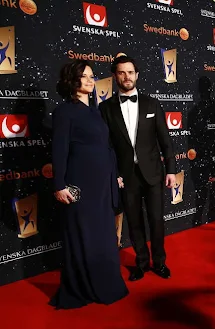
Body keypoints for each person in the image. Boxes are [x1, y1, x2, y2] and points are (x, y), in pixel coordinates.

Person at [50, 59, 128, 309]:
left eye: (92, 75)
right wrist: (59, 184)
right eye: (84, 76)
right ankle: (81, 287)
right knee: (83, 234)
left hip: (102, 185)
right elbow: (59, 150)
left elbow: (107, 147)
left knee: (103, 235)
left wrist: (114, 174)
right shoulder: (64, 112)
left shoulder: (97, 111)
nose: (90, 80)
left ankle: (104, 283)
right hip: (79, 184)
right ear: (72, 80)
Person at [99, 55, 176, 281]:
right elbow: (107, 146)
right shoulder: (106, 108)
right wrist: (114, 174)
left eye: (130, 72)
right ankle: (141, 263)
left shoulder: (152, 103)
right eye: (121, 72)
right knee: (134, 222)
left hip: (153, 173)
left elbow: (166, 140)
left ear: (137, 75)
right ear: (115, 76)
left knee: (156, 220)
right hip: (126, 176)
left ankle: (159, 262)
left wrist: (171, 169)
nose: (126, 77)